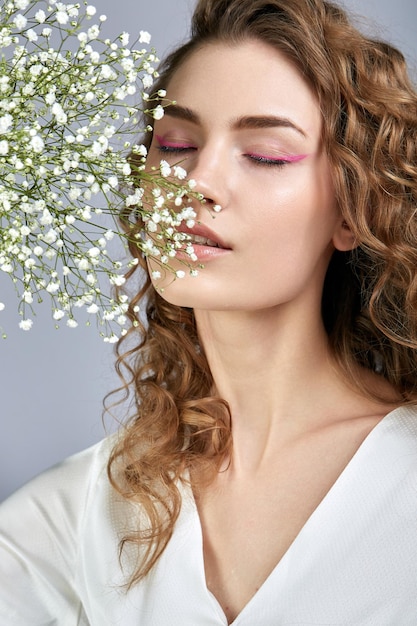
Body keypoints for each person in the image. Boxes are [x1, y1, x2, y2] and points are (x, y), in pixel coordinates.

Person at [1, 0, 417, 623]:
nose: (198, 180)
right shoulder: (82, 512)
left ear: (354, 211)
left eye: (267, 155)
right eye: (176, 143)